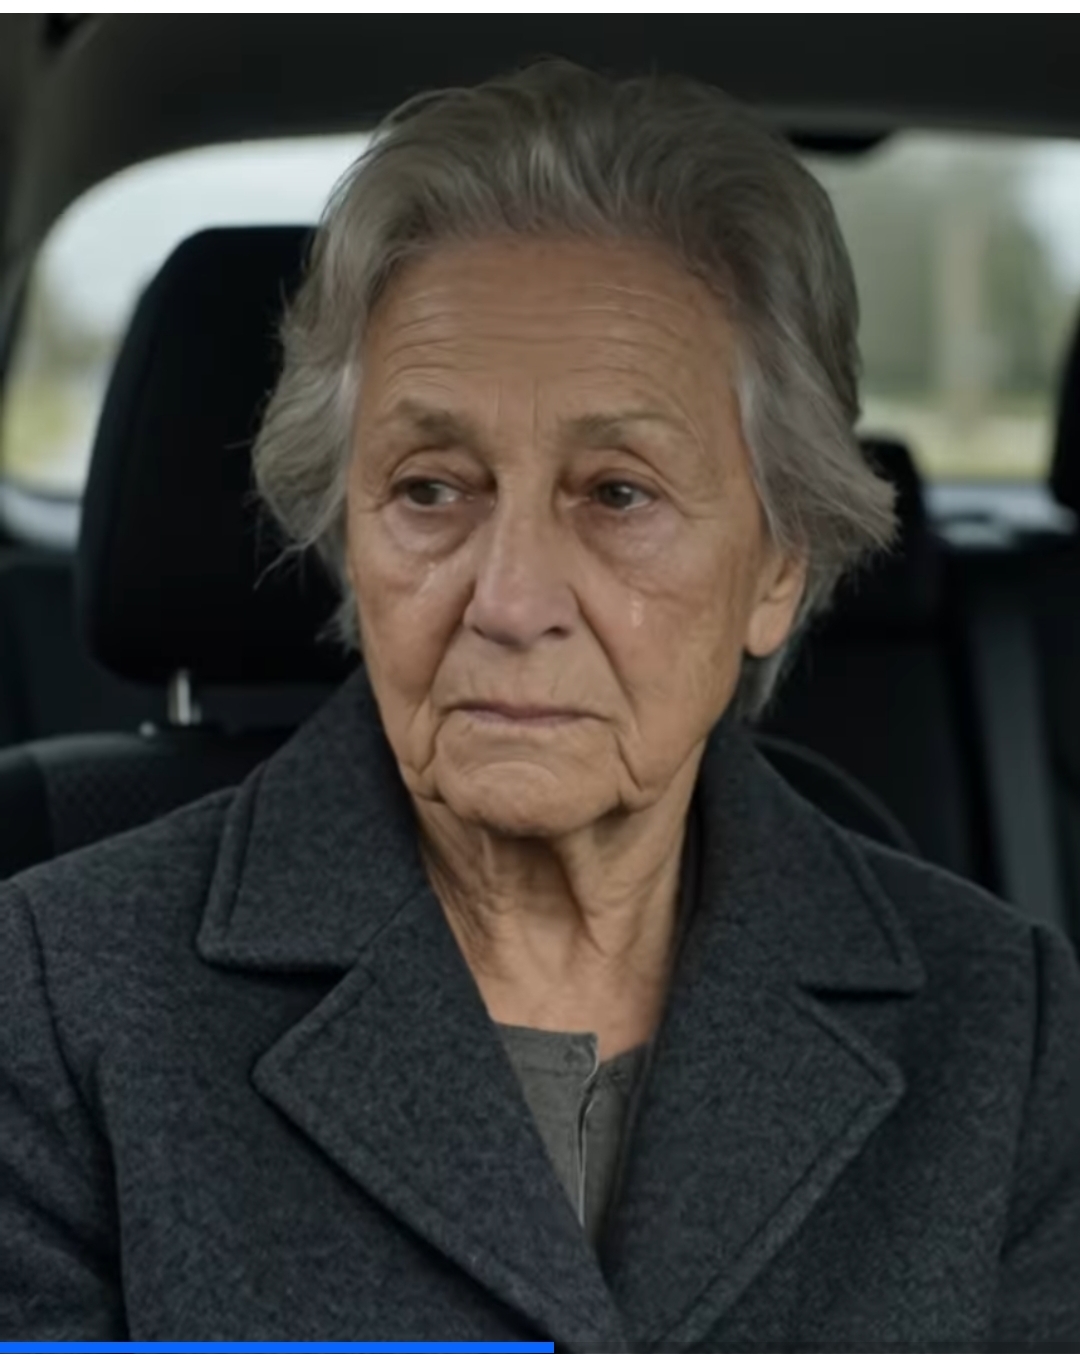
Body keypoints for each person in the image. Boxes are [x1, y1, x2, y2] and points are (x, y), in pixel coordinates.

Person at [1, 61, 1077, 1351]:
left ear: (778, 566)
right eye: (430, 489)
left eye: (618, 494)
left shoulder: (1003, 1027)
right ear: (349, 537)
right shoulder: (54, 1003)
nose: (510, 601)